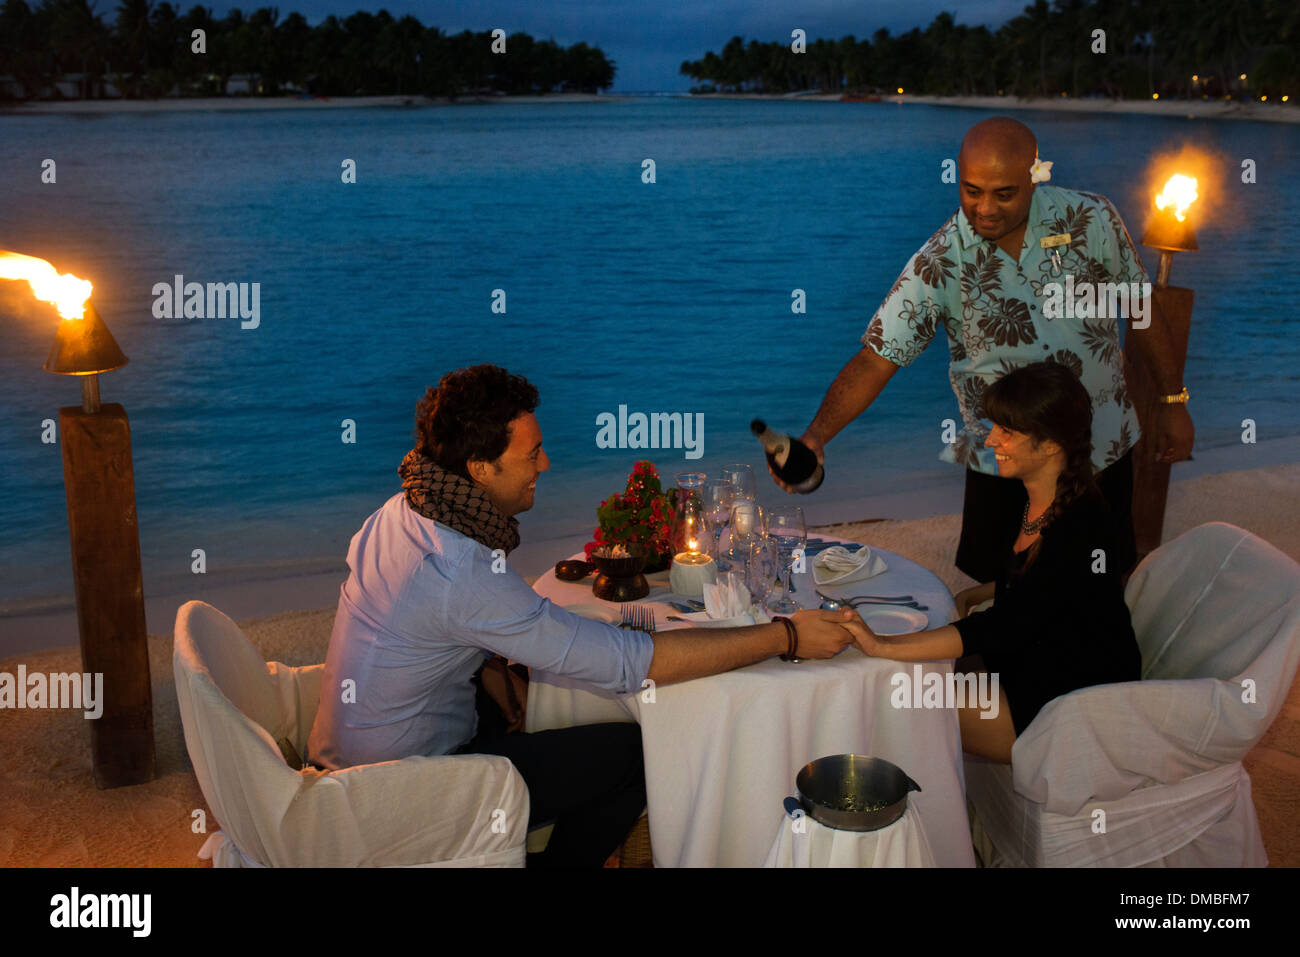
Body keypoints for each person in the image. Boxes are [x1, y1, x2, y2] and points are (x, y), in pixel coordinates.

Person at [306, 364, 868, 868]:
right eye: (531, 455)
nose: (545, 465)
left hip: (344, 763)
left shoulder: (403, 509)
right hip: (393, 798)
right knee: (634, 756)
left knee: (542, 708)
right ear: (478, 467)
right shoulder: (460, 570)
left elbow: (436, 627)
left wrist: (498, 667)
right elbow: (632, 664)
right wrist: (785, 635)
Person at [771, 116, 1194, 582]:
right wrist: (814, 438)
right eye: (972, 190)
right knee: (1001, 605)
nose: (985, 208)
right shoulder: (940, 261)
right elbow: (876, 359)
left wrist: (1173, 400)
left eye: (1003, 193)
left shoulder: (1092, 218)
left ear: (1034, 175)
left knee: (1103, 592)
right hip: (1005, 465)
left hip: (1101, 450)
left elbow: (1141, 306)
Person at [851, 362, 1141, 763]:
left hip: (1064, 709)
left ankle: (916, 814)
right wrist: (987, 590)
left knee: (889, 700)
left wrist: (881, 645)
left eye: (1007, 431)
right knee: (908, 674)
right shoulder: (1041, 501)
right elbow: (1050, 592)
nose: (991, 440)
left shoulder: (1081, 526)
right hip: (1030, 672)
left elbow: (1002, 626)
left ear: (1052, 443)